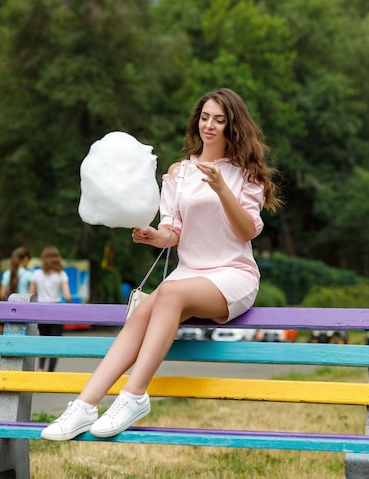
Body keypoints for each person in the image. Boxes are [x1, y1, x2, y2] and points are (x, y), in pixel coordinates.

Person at [41, 87, 281, 441]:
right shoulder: (179, 172)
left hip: (232, 275)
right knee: (141, 314)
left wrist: (221, 189)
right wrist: (154, 235)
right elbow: (174, 232)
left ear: (233, 126)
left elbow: (246, 230)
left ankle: (135, 395)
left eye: (219, 120)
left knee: (168, 292)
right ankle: (84, 405)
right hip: (188, 276)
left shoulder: (245, 174)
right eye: (204, 118)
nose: (209, 126)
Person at [30, 246, 71, 372]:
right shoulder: (61, 274)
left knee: (44, 340)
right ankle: (50, 372)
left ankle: (40, 368)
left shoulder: (36, 274)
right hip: (57, 310)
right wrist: (67, 307)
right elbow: (68, 296)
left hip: (41, 311)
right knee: (55, 344)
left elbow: (31, 294)